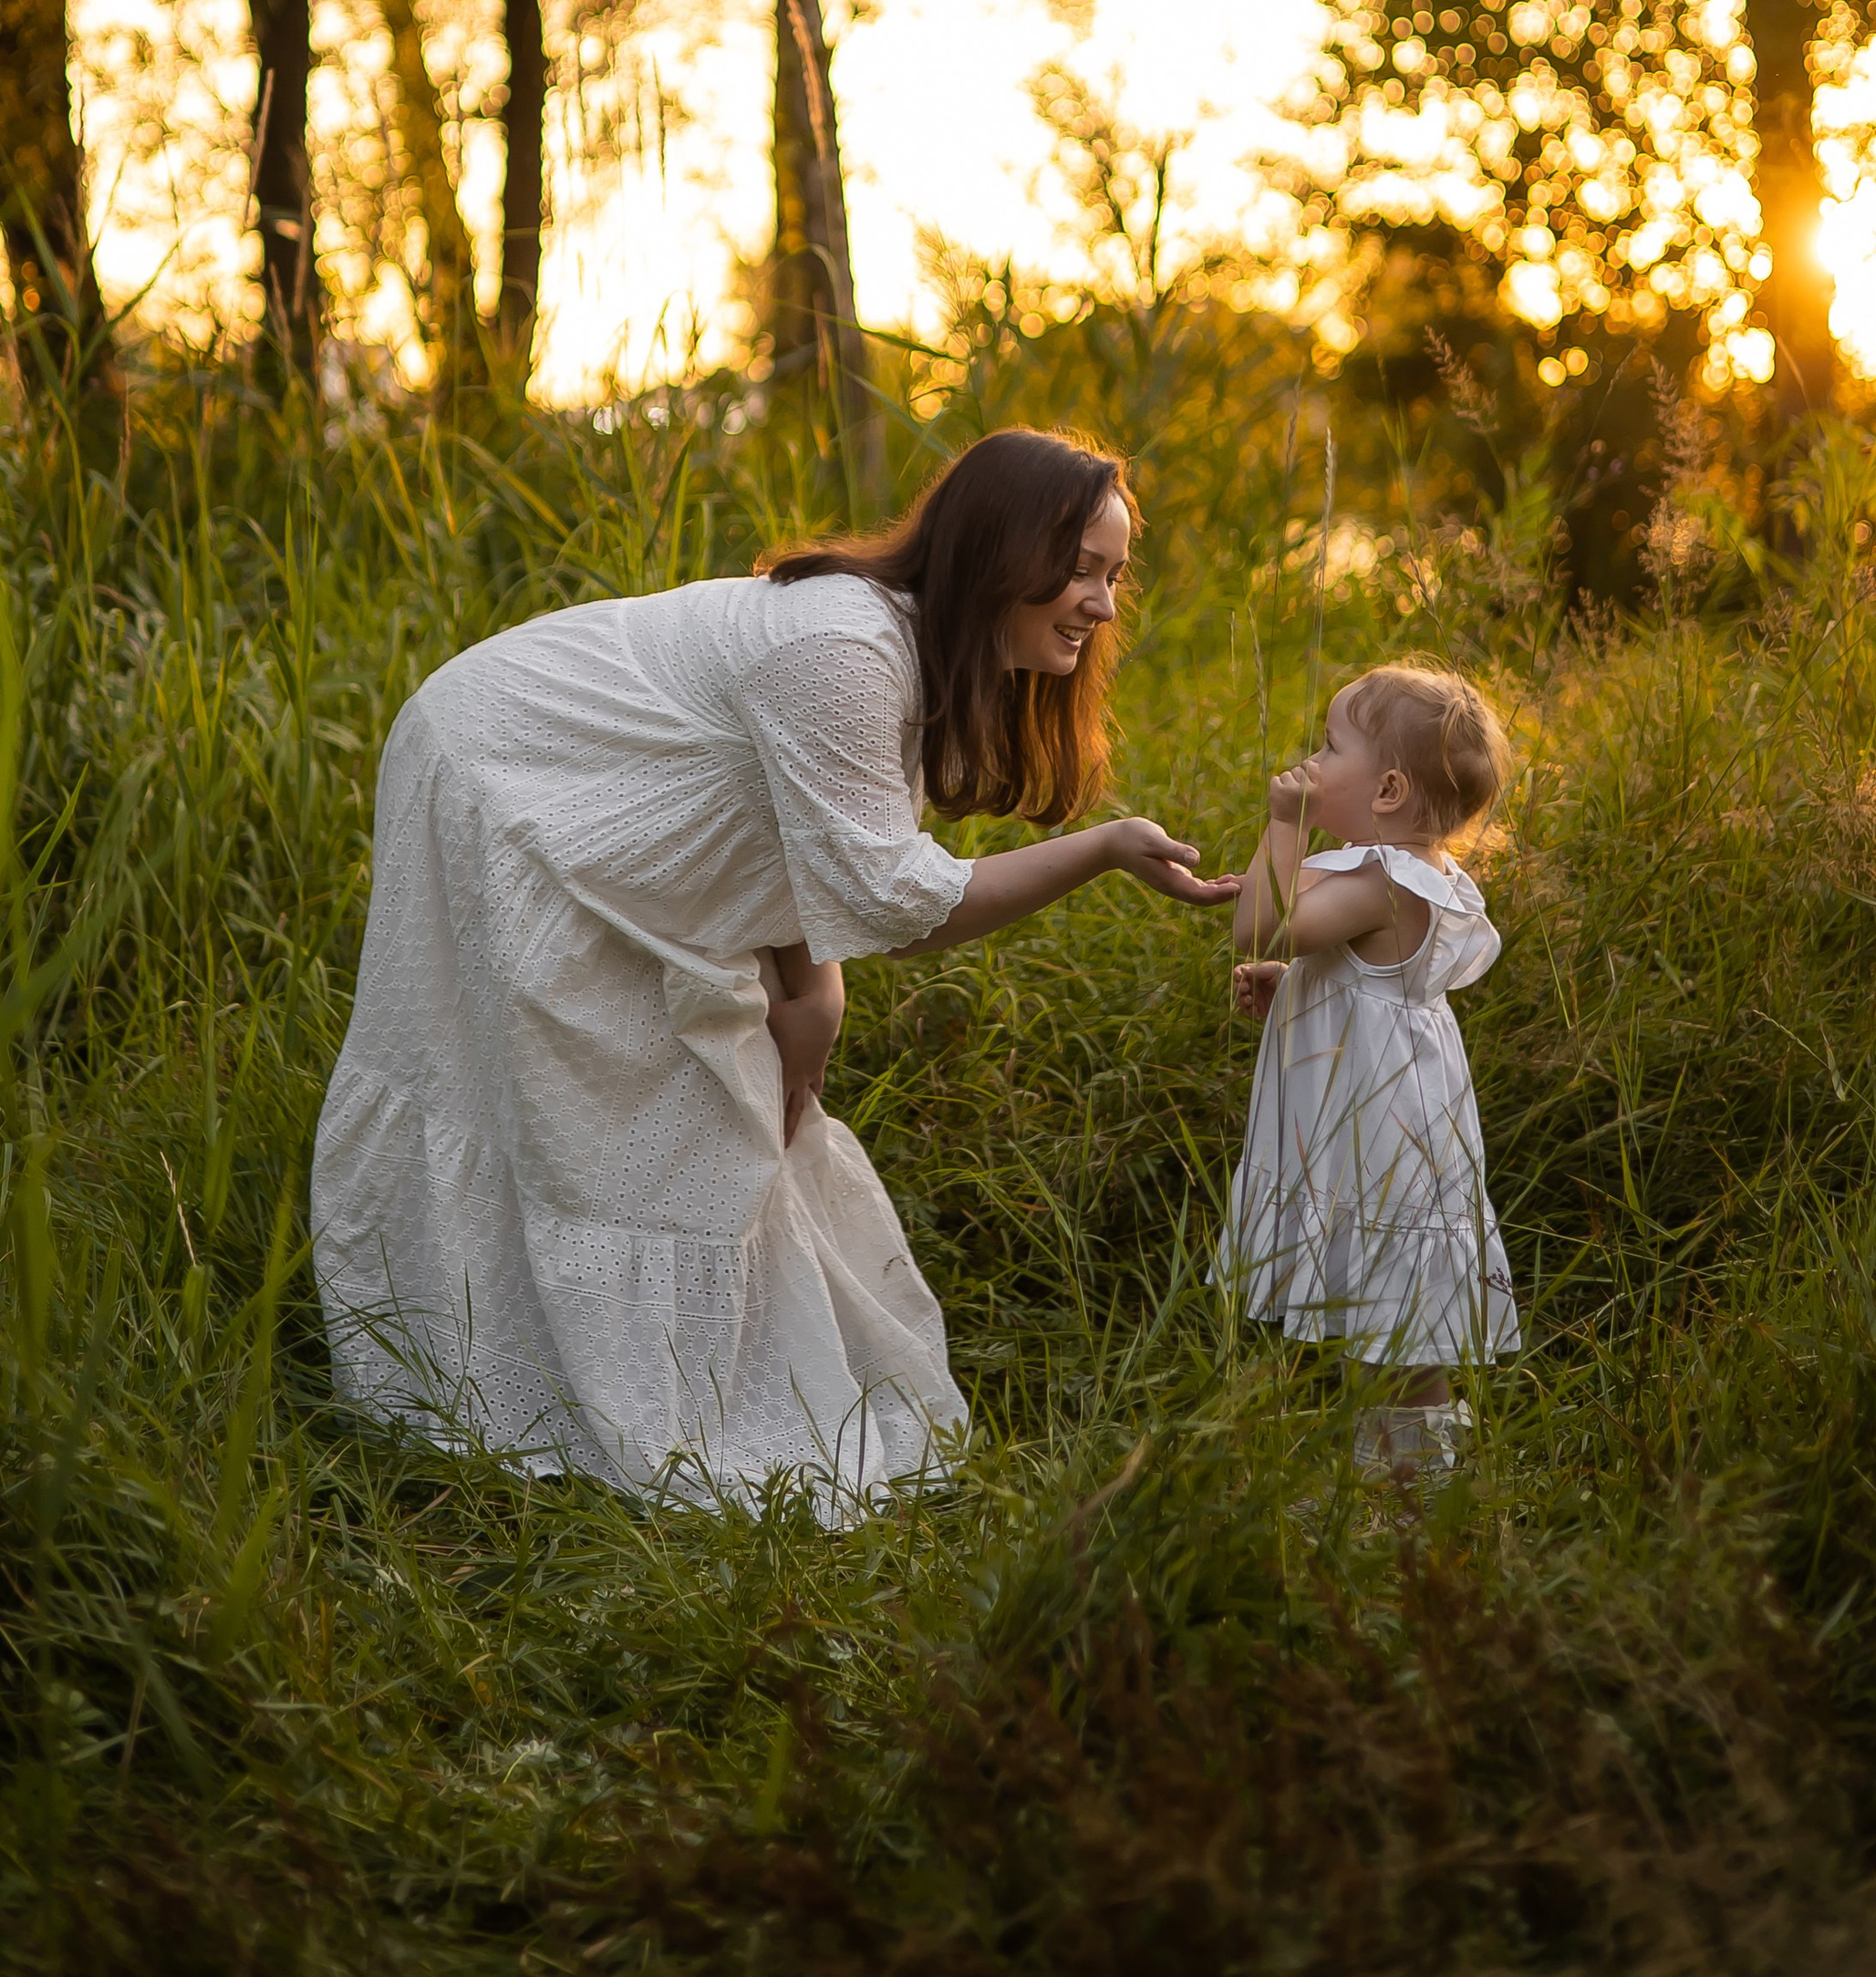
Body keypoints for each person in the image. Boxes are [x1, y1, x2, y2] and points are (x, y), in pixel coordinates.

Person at [312, 430, 1232, 1518]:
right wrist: (1103, 847)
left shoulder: (897, 651)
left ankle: (614, 1390)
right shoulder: (843, 649)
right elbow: (894, 898)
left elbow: (801, 832)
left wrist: (812, 987)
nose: (1103, 604)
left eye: (1114, 574)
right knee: (592, 1090)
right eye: (1082, 569)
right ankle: (512, 1395)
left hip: (592, 798)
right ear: (1001, 552)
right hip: (508, 779)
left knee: (706, 1098)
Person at [1220, 661, 1518, 1478]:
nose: (1310, 764)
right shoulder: (1406, 874)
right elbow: (1365, 975)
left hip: (1378, 1138)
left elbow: (1256, 928)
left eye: (1329, 747)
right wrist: (1300, 983)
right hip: (1395, 1123)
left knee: (1394, 1331)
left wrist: (1286, 821)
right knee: (1388, 1326)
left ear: (1386, 790)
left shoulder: (1384, 880)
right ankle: (1396, 1486)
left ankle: (1416, 1498)